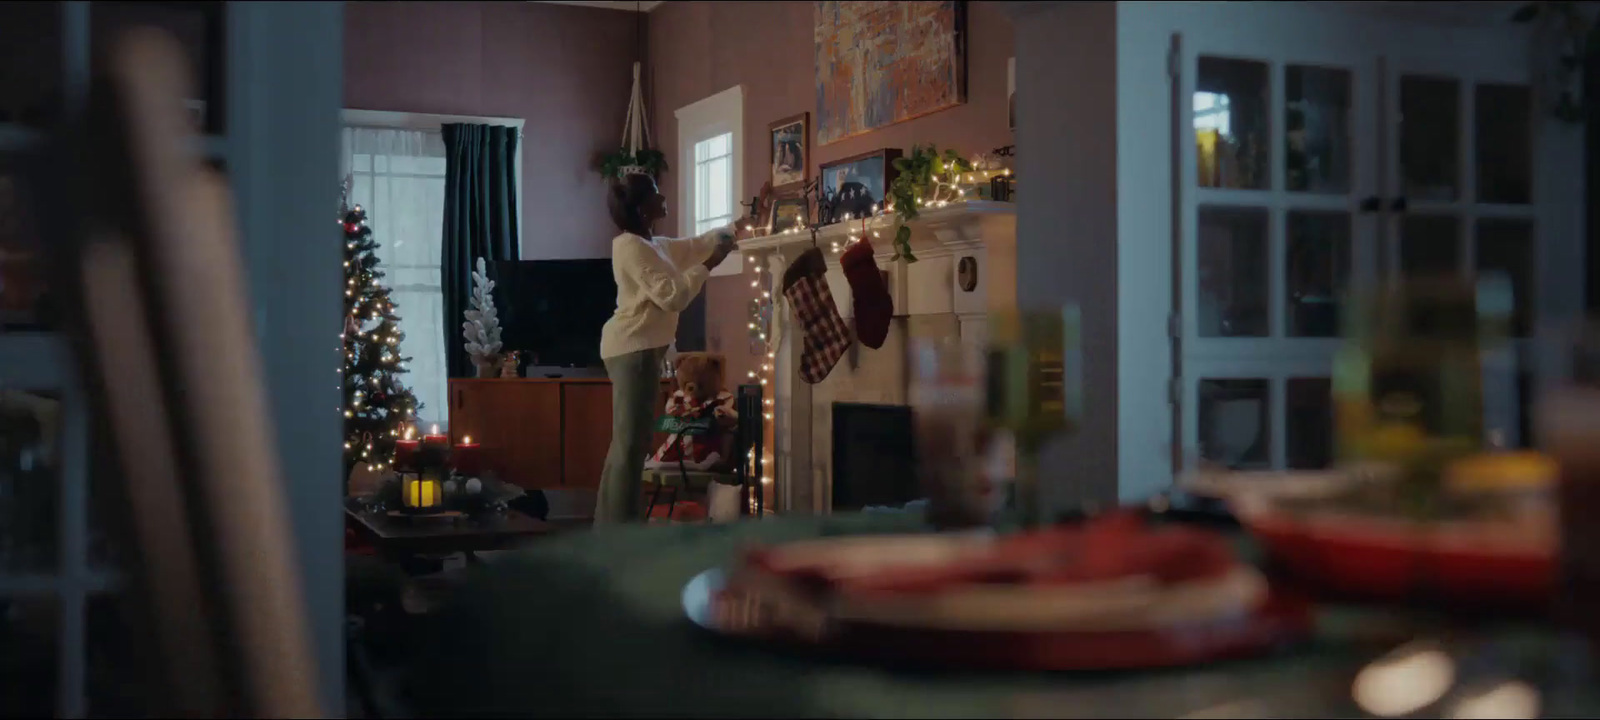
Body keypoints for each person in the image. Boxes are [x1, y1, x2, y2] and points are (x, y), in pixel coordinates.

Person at [596, 173, 737, 524]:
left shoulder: (653, 244)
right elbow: (673, 296)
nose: (663, 197)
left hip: (642, 351)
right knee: (630, 448)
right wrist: (709, 265)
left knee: (629, 445)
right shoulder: (631, 246)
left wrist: (739, 227)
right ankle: (619, 533)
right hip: (632, 350)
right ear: (644, 208)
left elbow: (695, 244)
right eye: (656, 194)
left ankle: (612, 529)